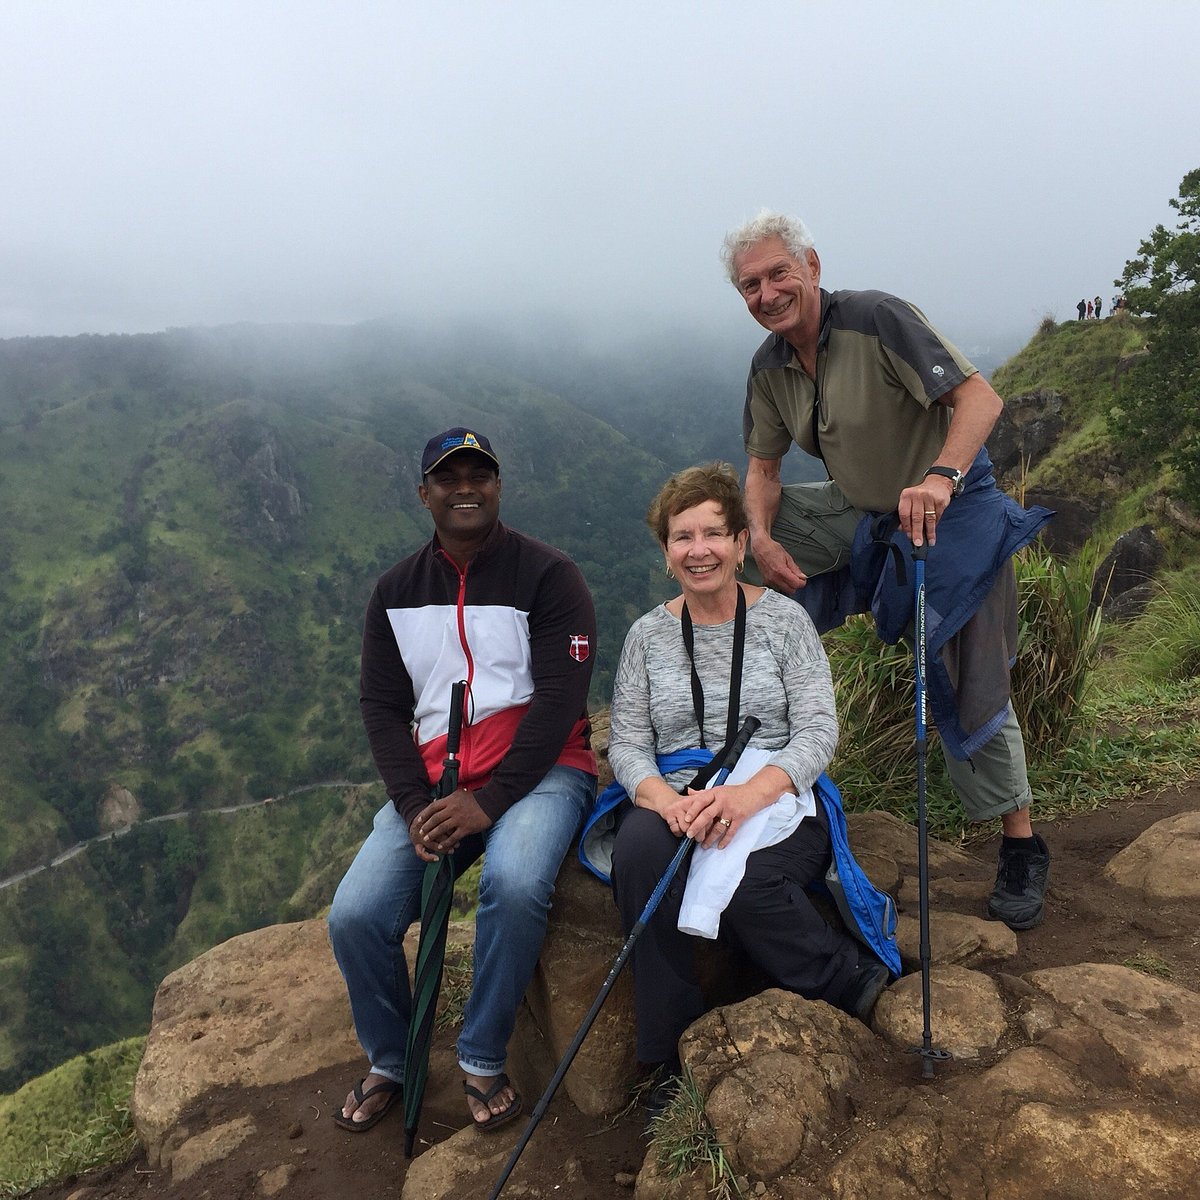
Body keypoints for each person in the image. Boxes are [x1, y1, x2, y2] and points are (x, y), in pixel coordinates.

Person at [720, 211, 1053, 932]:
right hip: (869, 512)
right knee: (717, 540)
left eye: (780, 272)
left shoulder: (876, 319)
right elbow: (763, 467)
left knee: (966, 674)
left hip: (952, 507)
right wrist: (759, 536)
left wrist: (939, 476)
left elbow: (979, 399)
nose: (768, 292)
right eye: (751, 284)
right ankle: (747, 725)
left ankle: (1021, 845)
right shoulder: (770, 366)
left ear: (811, 264)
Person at [598, 463, 896, 1112]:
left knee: (750, 881)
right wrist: (664, 802)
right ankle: (666, 1052)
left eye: (713, 533)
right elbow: (626, 742)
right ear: (665, 552)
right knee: (643, 855)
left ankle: (846, 978)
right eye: (682, 537)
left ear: (740, 543)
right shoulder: (648, 636)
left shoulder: (784, 622)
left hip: (776, 793)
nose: (698, 549)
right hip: (677, 794)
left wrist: (745, 797)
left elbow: (818, 732)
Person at [329, 427, 597, 1133]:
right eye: (450, 478)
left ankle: (480, 1053)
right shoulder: (395, 592)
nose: (467, 487)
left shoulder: (548, 575)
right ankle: (392, 1059)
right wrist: (417, 806)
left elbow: (561, 697)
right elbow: (382, 706)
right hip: (436, 783)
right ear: (426, 495)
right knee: (355, 916)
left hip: (542, 774)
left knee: (514, 883)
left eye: (481, 474)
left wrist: (491, 800)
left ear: (500, 487)